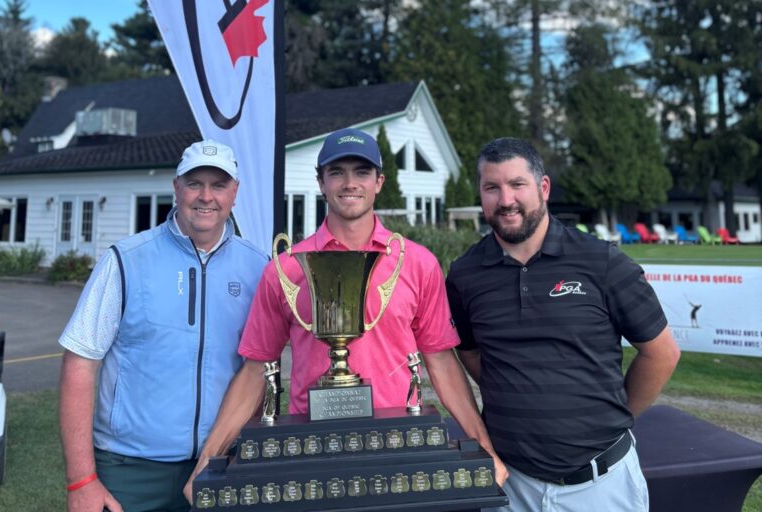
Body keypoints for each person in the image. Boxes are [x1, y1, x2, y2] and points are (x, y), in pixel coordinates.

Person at [184, 128, 506, 502]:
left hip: (399, 450)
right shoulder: (285, 269)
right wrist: (207, 461)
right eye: (336, 172)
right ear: (320, 182)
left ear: (379, 182)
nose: (349, 183)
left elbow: (442, 363)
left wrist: (487, 451)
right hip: (313, 457)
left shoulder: (417, 264)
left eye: (361, 171)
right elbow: (257, 369)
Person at [445, 137, 681, 512]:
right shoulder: (465, 274)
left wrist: (614, 417)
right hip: (511, 485)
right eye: (492, 187)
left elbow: (662, 353)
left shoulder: (602, 262)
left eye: (517, 184)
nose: (505, 200)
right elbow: (471, 354)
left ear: (543, 187)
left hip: (600, 484)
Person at [58, 140, 268, 512]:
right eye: (194, 183)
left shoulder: (259, 267)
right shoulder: (126, 260)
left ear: (235, 193)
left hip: (219, 463)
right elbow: (80, 363)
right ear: (176, 188)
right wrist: (81, 480)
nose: (206, 196)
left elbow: (261, 370)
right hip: (129, 470)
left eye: (218, 185)